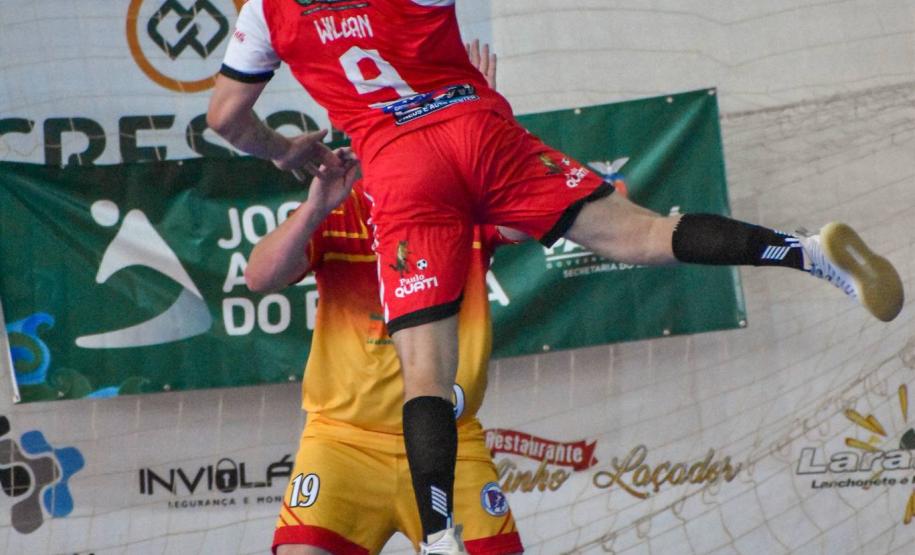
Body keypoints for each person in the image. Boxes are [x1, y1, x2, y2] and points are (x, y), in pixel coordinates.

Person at [207, 3, 905, 553]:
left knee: (426, 374)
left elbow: (225, 118)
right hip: (478, 127)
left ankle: (440, 535)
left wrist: (283, 147)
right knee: (645, 234)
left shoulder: (268, 11)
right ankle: (809, 251)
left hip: (399, 164)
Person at [244, 44, 523, 555]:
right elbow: (258, 278)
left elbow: (526, 220)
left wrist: (488, 128)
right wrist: (313, 210)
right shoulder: (341, 205)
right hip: (343, 443)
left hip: (450, 443)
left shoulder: (465, 201)